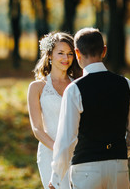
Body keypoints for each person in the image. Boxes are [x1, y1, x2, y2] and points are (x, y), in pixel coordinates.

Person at [49, 28, 130, 189]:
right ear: (104, 50)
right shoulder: (126, 84)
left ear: (77, 53)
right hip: (118, 168)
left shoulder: (74, 89)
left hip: (86, 169)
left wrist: (56, 177)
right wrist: (117, 155)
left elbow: (66, 139)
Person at [27, 32, 82, 189]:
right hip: (50, 154)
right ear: (49, 54)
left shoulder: (79, 85)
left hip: (78, 152)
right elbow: (37, 128)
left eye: (70, 54)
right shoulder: (36, 87)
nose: (66, 58)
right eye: (61, 53)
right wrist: (59, 149)